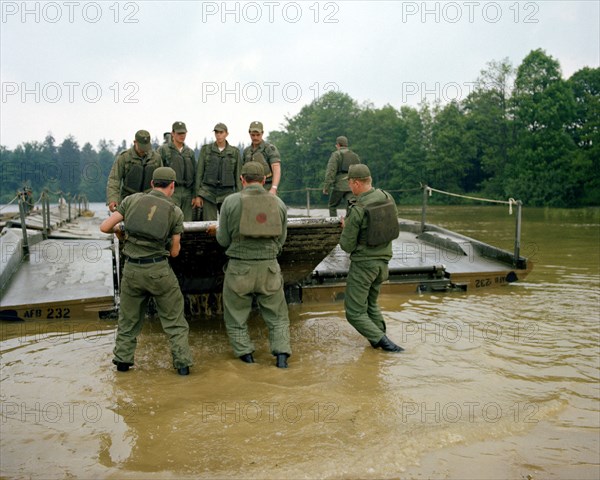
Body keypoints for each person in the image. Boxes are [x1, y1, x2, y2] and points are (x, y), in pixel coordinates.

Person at [100, 167, 194, 375]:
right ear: (172, 186)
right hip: (159, 271)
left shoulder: (132, 200)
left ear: (152, 184)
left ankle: (123, 364)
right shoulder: (175, 212)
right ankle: (183, 366)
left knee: (128, 321)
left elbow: (105, 227)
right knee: (174, 322)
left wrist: (121, 232)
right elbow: (175, 251)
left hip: (132, 271)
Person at [209, 161, 291, 368]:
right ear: (265, 180)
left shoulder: (230, 202)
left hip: (239, 270)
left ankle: (247, 360)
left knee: (236, 319)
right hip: (270, 269)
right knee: (278, 318)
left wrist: (215, 231)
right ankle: (281, 360)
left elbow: (224, 240)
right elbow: (281, 240)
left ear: (242, 179)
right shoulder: (278, 203)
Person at [339, 164, 404, 352]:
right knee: (371, 305)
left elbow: (347, 245)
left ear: (357, 183)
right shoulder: (387, 197)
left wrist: (347, 226)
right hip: (383, 264)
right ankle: (379, 343)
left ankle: (386, 344)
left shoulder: (358, 208)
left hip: (364, 266)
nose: (349, 187)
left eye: (350, 183)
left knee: (354, 312)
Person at [106, 130, 163, 213]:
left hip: (150, 199)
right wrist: (113, 199)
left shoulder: (156, 158)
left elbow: (162, 181)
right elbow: (114, 179)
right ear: (135, 142)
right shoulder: (124, 157)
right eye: (141, 146)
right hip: (128, 199)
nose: (143, 150)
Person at [196, 123, 242, 220]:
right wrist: (197, 195)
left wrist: (239, 197)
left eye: (221, 132)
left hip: (227, 193)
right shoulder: (206, 150)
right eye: (216, 132)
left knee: (229, 222)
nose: (218, 135)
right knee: (209, 225)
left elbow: (238, 177)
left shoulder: (234, 152)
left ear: (226, 134)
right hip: (208, 192)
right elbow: (199, 173)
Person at [157, 121, 199, 221]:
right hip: (171, 191)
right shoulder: (163, 150)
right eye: (179, 133)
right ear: (173, 133)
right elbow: (158, 172)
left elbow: (196, 175)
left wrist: (195, 195)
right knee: (170, 220)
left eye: (183, 133)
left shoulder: (190, 152)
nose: (182, 136)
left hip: (188, 193)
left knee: (187, 222)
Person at [322, 136, 361, 217]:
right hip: (352, 186)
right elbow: (359, 171)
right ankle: (349, 225)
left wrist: (326, 187)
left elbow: (331, 172)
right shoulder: (355, 155)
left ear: (338, 145)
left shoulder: (336, 154)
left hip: (339, 186)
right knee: (351, 206)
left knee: (332, 205)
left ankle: (333, 225)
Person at [242, 121, 281, 195]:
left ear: (262, 133)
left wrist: (274, 188)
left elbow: (276, 169)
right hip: (249, 189)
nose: (255, 137)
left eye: (258, 135)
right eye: (253, 135)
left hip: (266, 187)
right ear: (249, 133)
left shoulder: (270, 149)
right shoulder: (246, 151)